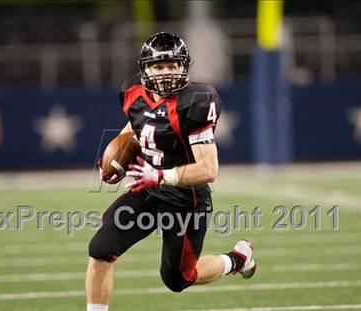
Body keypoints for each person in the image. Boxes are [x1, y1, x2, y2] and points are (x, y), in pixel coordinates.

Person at [86, 32, 256, 311]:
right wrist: (116, 160)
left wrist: (163, 176)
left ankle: (238, 258)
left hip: (185, 199)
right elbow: (136, 127)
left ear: (183, 67)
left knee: (177, 279)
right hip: (148, 188)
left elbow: (209, 168)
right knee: (100, 250)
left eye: (172, 66)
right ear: (145, 69)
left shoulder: (196, 102)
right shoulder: (132, 91)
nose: (166, 73)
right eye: (159, 66)